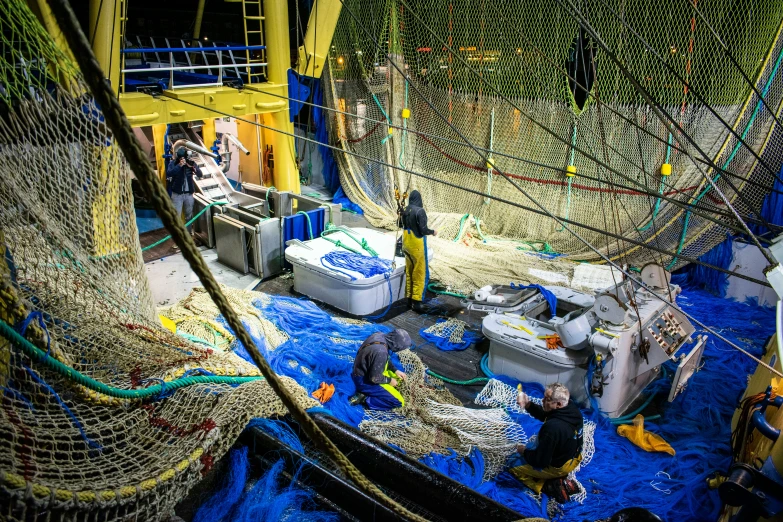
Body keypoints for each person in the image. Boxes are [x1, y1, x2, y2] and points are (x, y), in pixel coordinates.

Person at [509, 383, 583, 498]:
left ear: (558, 404)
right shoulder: (571, 409)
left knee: (512, 465)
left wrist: (523, 451)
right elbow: (547, 415)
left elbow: (540, 461)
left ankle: (548, 486)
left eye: (547, 399)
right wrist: (528, 405)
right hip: (574, 457)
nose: (542, 400)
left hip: (560, 467)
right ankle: (557, 478)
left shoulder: (552, 428)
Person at [349, 329, 411, 410]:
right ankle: (365, 398)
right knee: (399, 402)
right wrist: (389, 381)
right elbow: (374, 378)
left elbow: (384, 359)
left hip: (363, 369)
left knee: (398, 380)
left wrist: (395, 370)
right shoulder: (381, 352)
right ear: (396, 346)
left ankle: (381, 390)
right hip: (363, 380)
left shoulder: (379, 335)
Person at [401, 190, 437, 313]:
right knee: (420, 273)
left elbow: (399, 223)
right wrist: (432, 232)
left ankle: (409, 299)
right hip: (417, 245)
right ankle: (417, 303)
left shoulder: (405, 210)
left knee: (410, 272)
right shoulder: (420, 211)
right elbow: (423, 230)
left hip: (406, 243)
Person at [166, 147, 202, 234]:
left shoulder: (191, 163)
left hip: (189, 194)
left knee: (189, 215)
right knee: (176, 216)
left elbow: (200, 174)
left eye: (184, 158)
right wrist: (179, 166)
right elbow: (169, 173)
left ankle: (189, 233)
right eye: (181, 158)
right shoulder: (173, 163)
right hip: (177, 195)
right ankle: (178, 237)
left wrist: (193, 168)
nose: (183, 160)